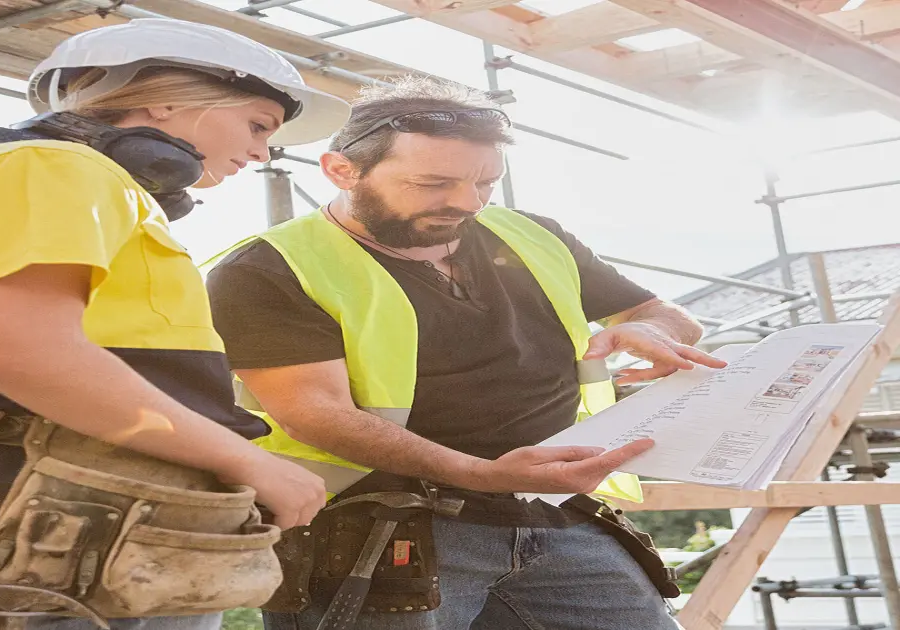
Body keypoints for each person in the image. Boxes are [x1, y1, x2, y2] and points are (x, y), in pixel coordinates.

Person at [0, 18, 350, 630]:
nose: (261, 152)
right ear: (165, 98)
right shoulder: (51, 170)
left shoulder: (45, 179)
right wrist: (248, 460)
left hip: (93, 505)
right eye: (257, 125)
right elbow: (18, 347)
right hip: (67, 506)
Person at [204, 76, 727, 630]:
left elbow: (665, 314)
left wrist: (655, 330)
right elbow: (315, 413)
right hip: (380, 526)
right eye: (433, 183)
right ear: (341, 170)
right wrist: (480, 473)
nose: (466, 203)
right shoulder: (267, 269)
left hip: (557, 514)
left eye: (485, 182)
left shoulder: (533, 235)